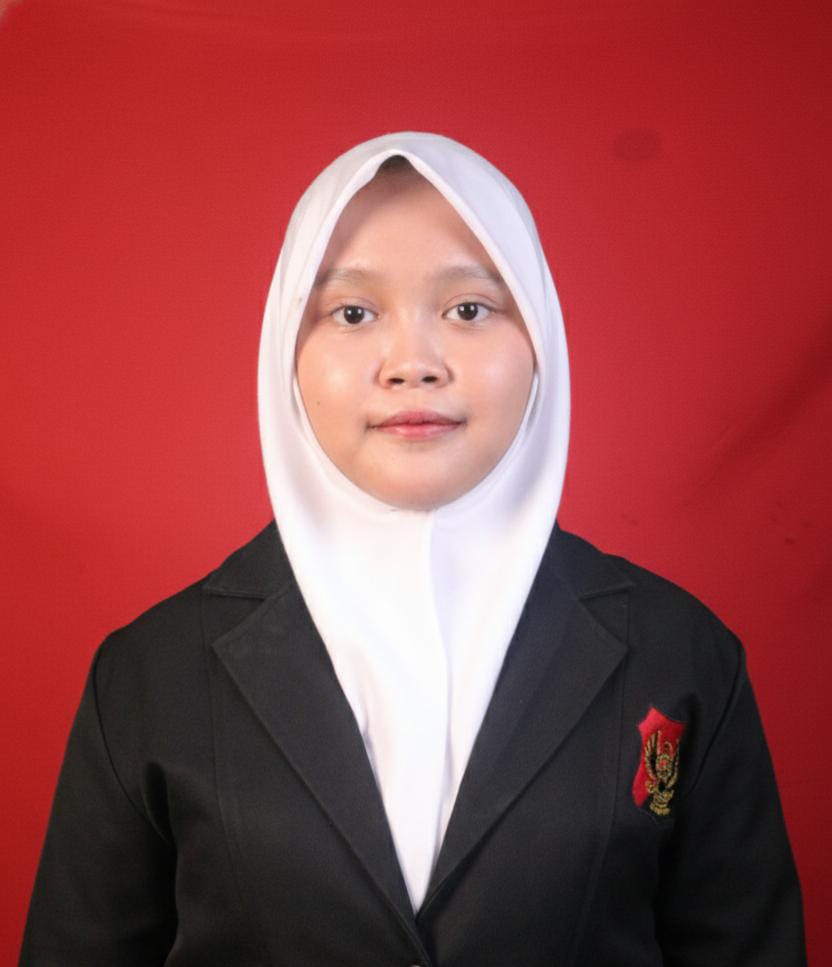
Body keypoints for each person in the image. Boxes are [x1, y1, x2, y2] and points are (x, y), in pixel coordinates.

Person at [20, 132, 805, 966]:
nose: (414, 364)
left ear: (540, 334)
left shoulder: (682, 657)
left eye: (468, 309)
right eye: (353, 313)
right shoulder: (149, 675)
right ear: (286, 346)